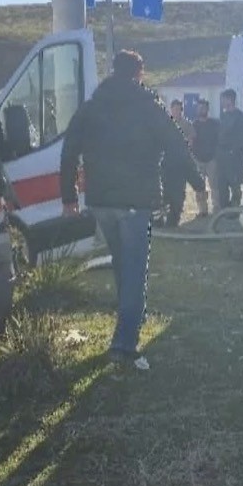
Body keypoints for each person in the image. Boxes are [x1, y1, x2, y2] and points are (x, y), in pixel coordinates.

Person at [60, 50, 206, 370]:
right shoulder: (148, 107)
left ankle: (128, 320)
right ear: (139, 73)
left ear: (113, 72)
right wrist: (197, 182)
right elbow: (177, 146)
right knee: (134, 270)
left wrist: (69, 196)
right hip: (134, 203)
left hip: (100, 201)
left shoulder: (91, 107)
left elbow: (69, 150)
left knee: (124, 265)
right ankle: (124, 344)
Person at [161, 100, 195, 227]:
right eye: (174, 109)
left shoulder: (186, 125)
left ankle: (173, 220)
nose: (176, 111)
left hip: (181, 163)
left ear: (181, 110)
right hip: (166, 164)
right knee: (165, 193)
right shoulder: (165, 124)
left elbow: (191, 141)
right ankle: (162, 220)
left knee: (178, 193)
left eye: (178, 109)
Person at [215, 88, 243, 209]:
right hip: (221, 156)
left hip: (234, 157)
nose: (222, 101)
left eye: (223, 99)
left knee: (235, 184)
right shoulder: (223, 116)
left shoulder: (240, 117)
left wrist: (233, 150)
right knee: (221, 184)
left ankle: (235, 208)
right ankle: (224, 209)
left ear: (230, 99)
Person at [190, 98, 219, 216]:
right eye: (199, 107)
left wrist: (216, 156)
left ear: (207, 109)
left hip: (212, 160)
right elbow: (191, 141)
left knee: (215, 186)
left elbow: (218, 140)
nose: (201, 109)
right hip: (198, 160)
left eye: (204, 107)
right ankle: (202, 210)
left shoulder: (214, 124)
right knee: (199, 187)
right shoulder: (194, 124)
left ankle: (217, 209)